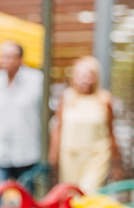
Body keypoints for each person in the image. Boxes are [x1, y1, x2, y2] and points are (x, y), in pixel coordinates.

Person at [48, 55, 121, 192]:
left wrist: (117, 164)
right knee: (71, 195)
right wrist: (53, 156)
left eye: (89, 76)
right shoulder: (67, 97)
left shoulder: (104, 99)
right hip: (70, 157)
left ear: (96, 77)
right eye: (80, 75)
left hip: (96, 158)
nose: (84, 80)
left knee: (88, 194)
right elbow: (57, 128)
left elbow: (111, 133)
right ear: (74, 77)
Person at [0, 40, 43, 190]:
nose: (4, 60)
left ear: (20, 59)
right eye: (2, 56)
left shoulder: (37, 81)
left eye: (9, 57)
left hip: (29, 155)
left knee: (28, 205)